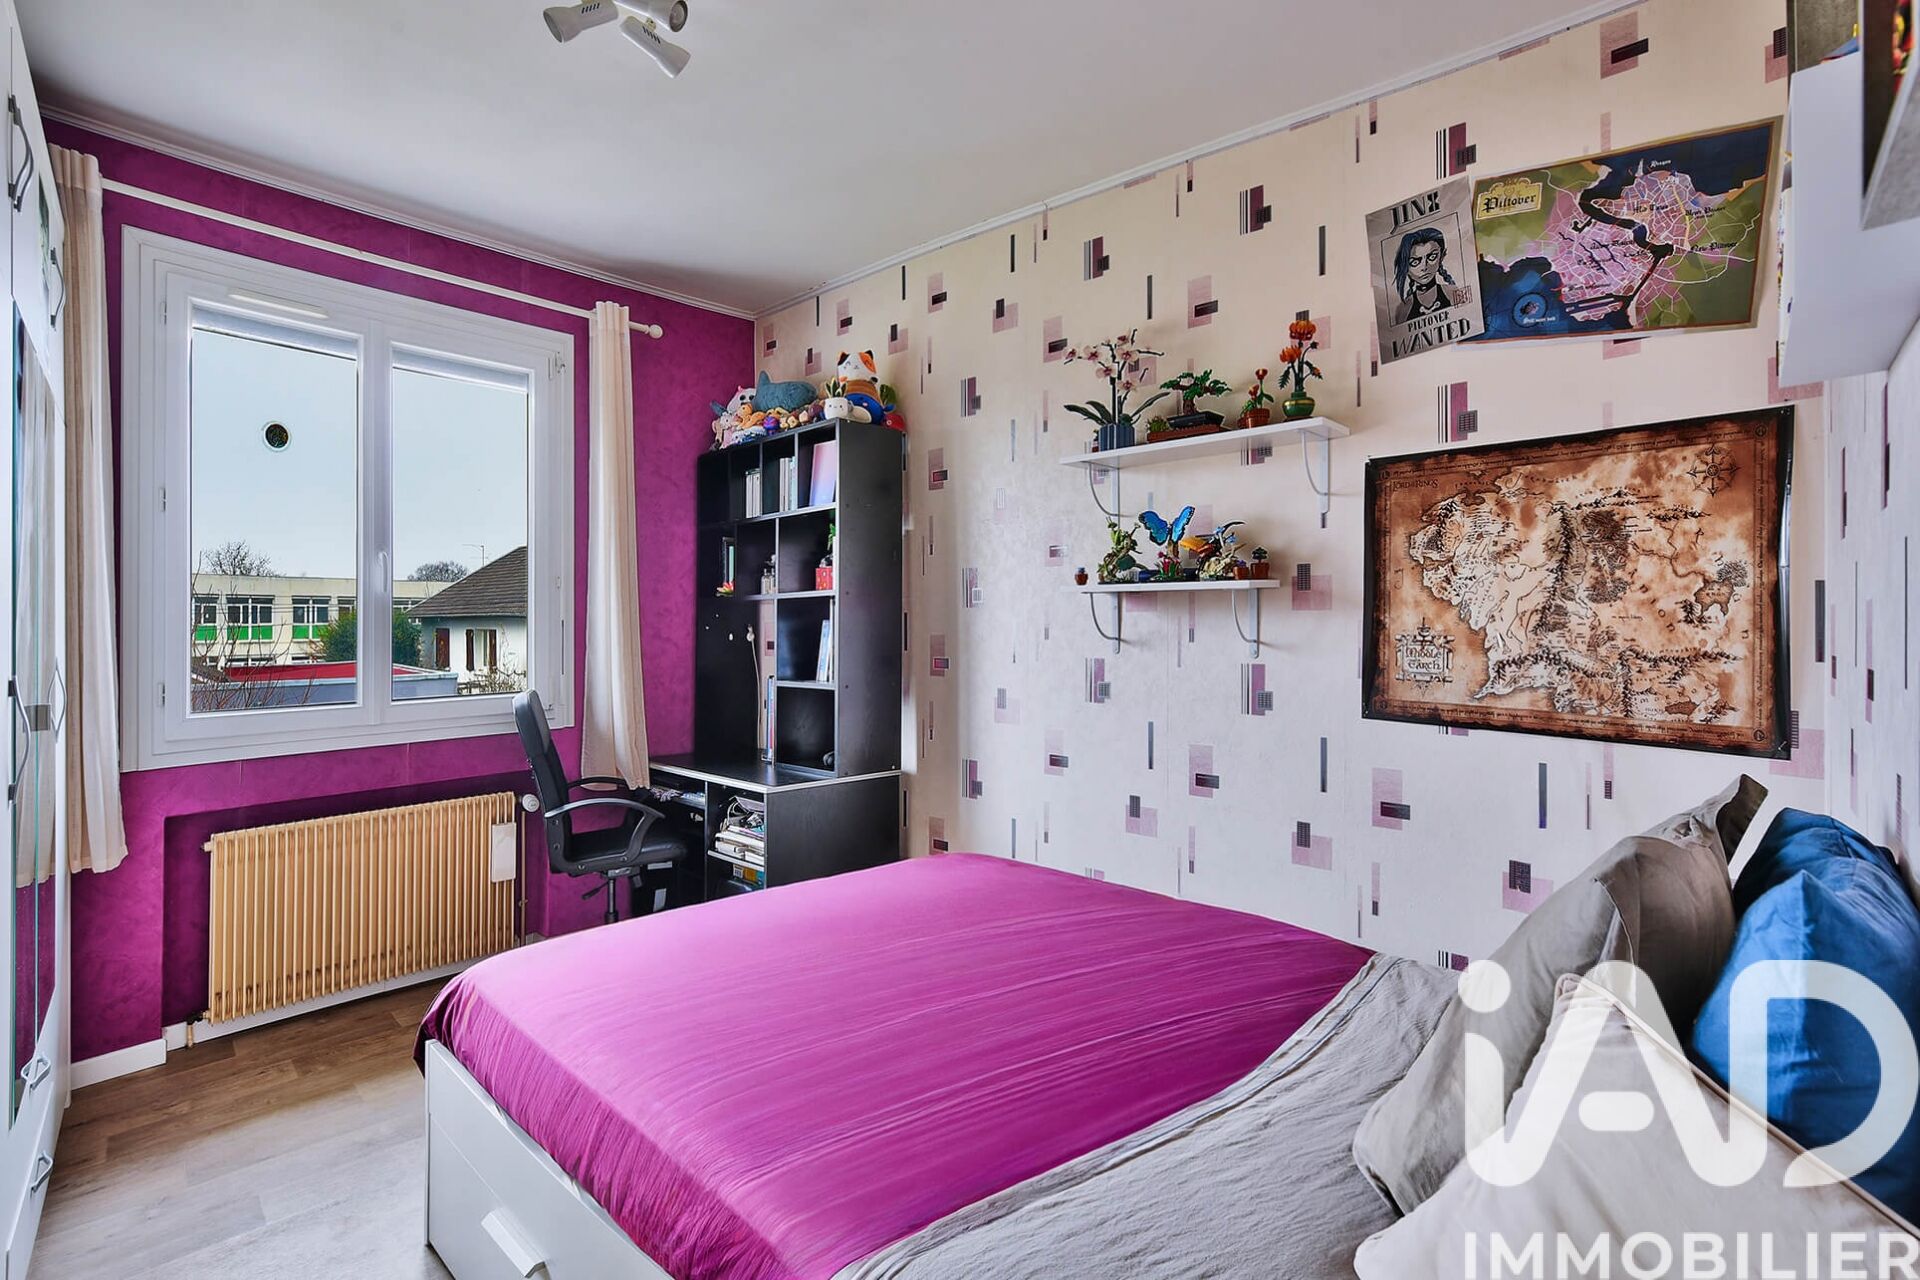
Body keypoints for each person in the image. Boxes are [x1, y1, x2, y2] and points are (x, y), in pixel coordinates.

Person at [1392, 227, 1458, 325]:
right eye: (1415, 262)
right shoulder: (1403, 309)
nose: (1424, 267)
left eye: (1432, 257)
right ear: (1406, 268)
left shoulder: (1453, 293)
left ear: (1441, 256)